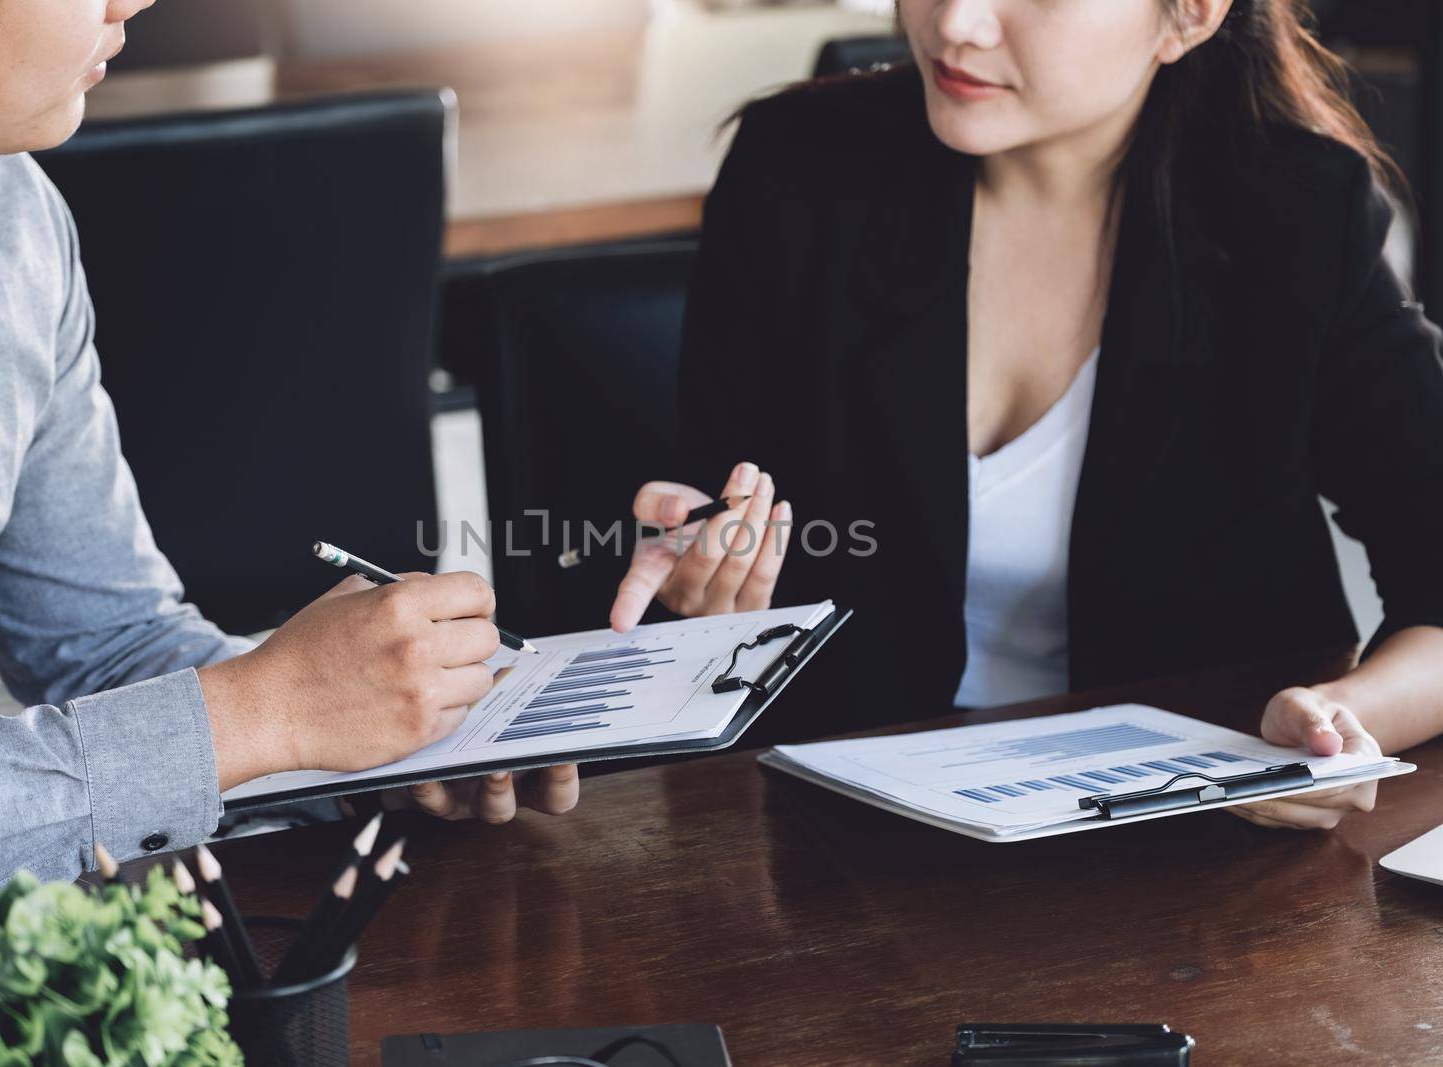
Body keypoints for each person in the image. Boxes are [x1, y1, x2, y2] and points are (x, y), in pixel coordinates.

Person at [0, 0, 577, 944]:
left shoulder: (15, 216)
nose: (133, 1)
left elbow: (104, 643)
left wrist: (377, 735)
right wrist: (260, 714)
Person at [611, 0, 1443, 831]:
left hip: (1192, 863)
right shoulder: (797, 172)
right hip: (847, 847)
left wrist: (1332, 723)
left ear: (1188, 17)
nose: (957, 23)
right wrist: (701, 592)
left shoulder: (1296, 215)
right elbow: (710, 535)